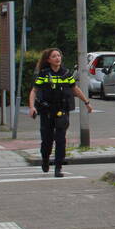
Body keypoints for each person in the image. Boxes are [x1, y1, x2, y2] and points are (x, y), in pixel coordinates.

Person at [28, 47, 92, 177]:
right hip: (47, 111)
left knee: (60, 139)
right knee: (47, 140)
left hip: (62, 111)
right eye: (54, 56)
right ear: (48, 60)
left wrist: (86, 103)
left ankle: (58, 167)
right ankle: (45, 160)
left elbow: (75, 89)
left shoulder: (66, 74)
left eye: (59, 56)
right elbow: (34, 91)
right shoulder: (44, 74)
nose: (58, 58)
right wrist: (32, 107)